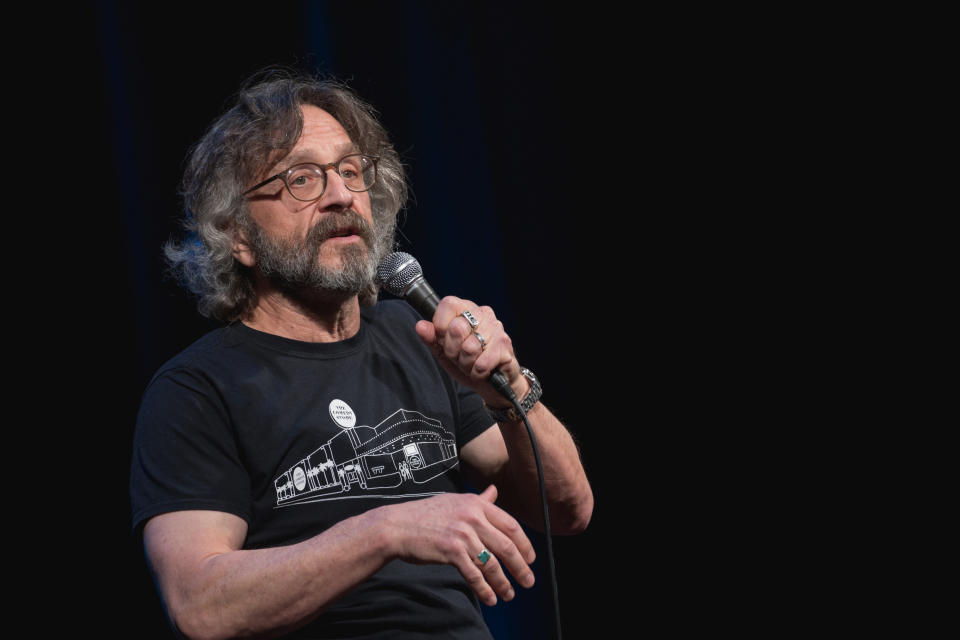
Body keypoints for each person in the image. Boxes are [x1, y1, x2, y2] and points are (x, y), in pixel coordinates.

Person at [130, 70, 593, 640]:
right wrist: (383, 531)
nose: (342, 195)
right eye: (302, 179)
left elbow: (568, 509)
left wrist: (510, 388)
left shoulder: (413, 336)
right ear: (239, 236)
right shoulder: (196, 389)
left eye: (351, 171)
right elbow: (200, 604)